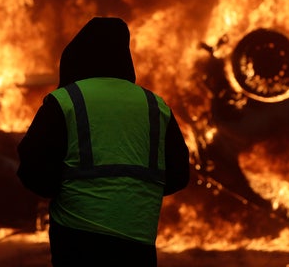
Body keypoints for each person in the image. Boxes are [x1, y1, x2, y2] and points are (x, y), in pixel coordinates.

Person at [16, 17, 190, 266]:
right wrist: (133, 194)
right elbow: (179, 175)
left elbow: (33, 170)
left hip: (77, 240)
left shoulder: (65, 101)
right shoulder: (156, 105)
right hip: (138, 242)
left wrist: (67, 193)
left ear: (75, 58)